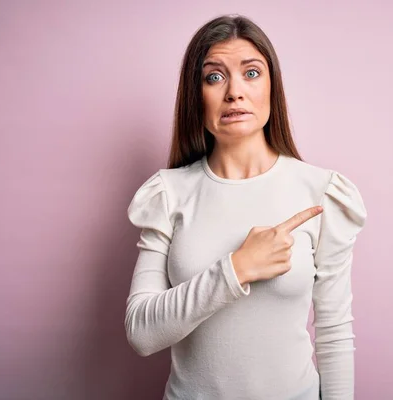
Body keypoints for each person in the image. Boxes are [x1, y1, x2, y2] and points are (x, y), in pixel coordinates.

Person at [125, 14, 367, 400]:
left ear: (273, 86)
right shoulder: (167, 194)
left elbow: (335, 333)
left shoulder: (321, 192)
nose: (234, 91)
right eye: (214, 77)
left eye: (251, 73)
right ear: (196, 96)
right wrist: (236, 269)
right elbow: (141, 332)